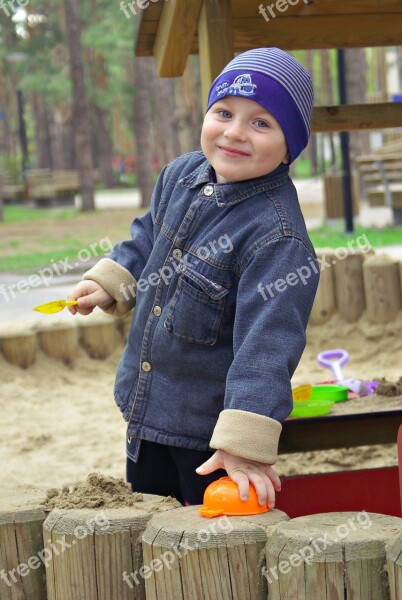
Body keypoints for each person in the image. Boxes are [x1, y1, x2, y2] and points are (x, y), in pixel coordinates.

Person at [68, 47, 319, 509]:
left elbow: (267, 346)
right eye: (224, 112)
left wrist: (243, 445)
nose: (235, 133)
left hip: (211, 437)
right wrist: (111, 282)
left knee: (207, 544)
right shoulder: (181, 175)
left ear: (290, 148)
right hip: (146, 404)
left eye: (262, 123)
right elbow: (146, 238)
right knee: (147, 520)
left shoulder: (277, 239)